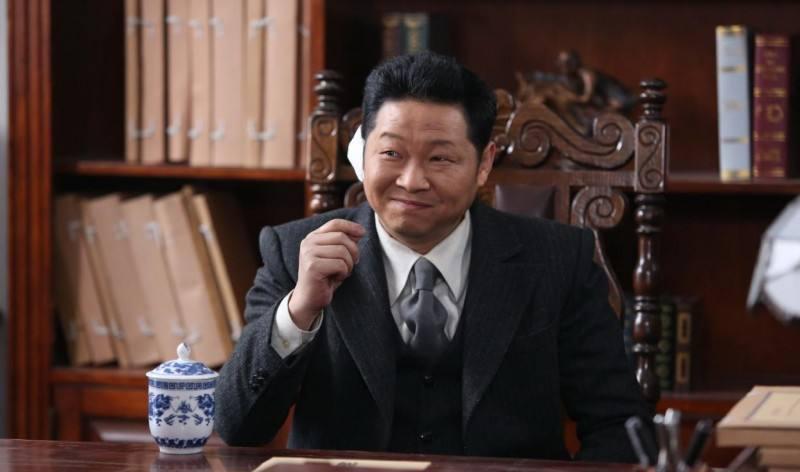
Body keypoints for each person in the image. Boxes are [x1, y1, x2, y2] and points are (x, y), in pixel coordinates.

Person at [215, 51, 652, 462]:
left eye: (440, 158)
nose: (412, 181)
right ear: (363, 153)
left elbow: (620, 427)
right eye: (391, 153)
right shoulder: (294, 252)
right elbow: (238, 428)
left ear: (484, 164)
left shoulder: (559, 259)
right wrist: (298, 310)